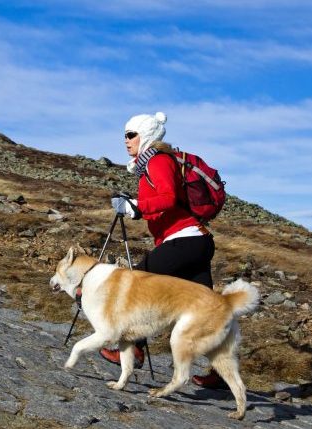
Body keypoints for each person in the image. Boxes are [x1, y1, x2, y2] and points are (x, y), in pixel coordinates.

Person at [101, 112, 225, 389]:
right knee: (203, 310)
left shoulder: (157, 160)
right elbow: (166, 202)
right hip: (197, 242)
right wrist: (136, 207)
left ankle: (134, 347)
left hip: (184, 241)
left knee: (137, 283)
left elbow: (167, 198)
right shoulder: (155, 162)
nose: (125, 140)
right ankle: (222, 370)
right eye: (125, 135)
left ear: (145, 135)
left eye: (131, 134)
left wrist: (136, 206)